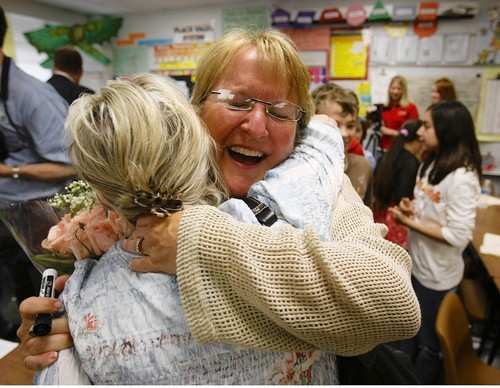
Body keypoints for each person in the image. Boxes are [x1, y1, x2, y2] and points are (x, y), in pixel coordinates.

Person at [18, 30, 420, 372]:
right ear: (196, 108)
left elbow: (396, 305)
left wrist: (202, 240)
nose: (257, 126)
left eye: (280, 112)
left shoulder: (322, 188)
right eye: (237, 102)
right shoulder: (143, 188)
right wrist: (70, 328)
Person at [35, 73, 347, 384]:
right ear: (198, 148)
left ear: (98, 190)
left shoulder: (77, 303)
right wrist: (315, 118)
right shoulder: (268, 220)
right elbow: (321, 150)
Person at [389, 101, 481, 384]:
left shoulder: (463, 177)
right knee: (411, 333)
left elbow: (458, 235)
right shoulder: (429, 164)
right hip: (417, 265)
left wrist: (409, 223)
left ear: (447, 130)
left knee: (429, 344)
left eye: (427, 126)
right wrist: (410, 208)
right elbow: (427, 205)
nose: (420, 132)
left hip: (437, 276)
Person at [0, 7, 75, 340]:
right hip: (6, 215)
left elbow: (70, 164)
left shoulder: (32, 96)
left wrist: (11, 170)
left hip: (36, 220)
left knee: (44, 306)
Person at [312, 84, 372, 199]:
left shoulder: (362, 166)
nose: (344, 134)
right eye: (335, 124)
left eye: (350, 126)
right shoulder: (300, 171)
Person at [373, 119, 424, 248]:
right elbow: (404, 197)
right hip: (396, 219)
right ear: (418, 141)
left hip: (380, 215)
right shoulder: (411, 163)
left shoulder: (388, 156)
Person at [380, 75, 419, 151]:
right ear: (389, 89)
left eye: (399, 89)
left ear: (404, 91)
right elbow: (380, 127)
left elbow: (413, 131)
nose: (395, 92)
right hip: (384, 148)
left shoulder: (411, 107)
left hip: (403, 149)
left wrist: (392, 132)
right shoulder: (384, 107)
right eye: (393, 88)